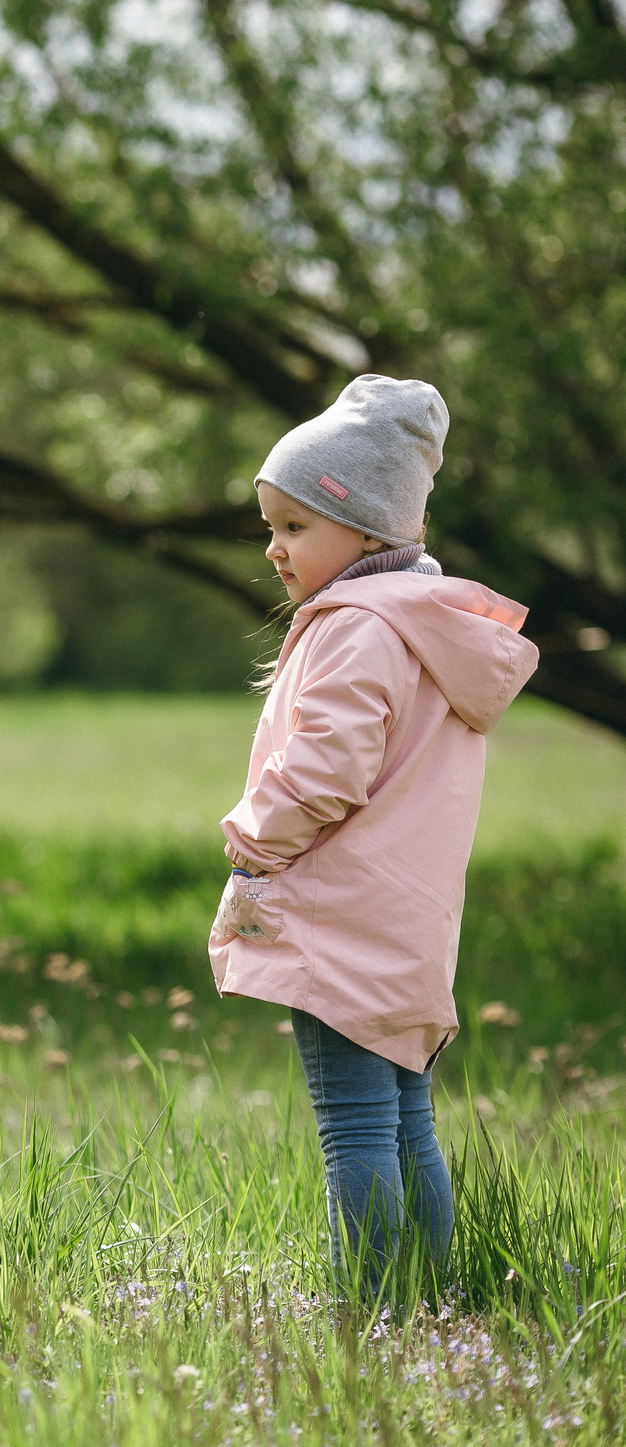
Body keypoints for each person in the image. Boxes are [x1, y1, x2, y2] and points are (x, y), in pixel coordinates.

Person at [210, 376, 538, 1297]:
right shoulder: (425, 624)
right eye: (270, 526)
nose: (273, 548)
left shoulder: (358, 628)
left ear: (366, 529)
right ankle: (428, 1301)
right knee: (405, 1121)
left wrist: (250, 839)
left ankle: (371, 1308)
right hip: (408, 919)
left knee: (353, 1125)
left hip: (340, 915)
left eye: (295, 526)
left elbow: (328, 769)